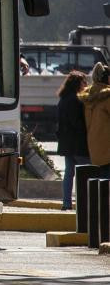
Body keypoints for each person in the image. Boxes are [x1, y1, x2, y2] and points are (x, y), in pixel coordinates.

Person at [56, 70, 90, 209]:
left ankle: (66, 203)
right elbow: (78, 122)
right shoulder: (76, 100)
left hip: (66, 142)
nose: (86, 84)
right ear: (77, 83)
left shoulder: (63, 98)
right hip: (78, 142)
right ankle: (84, 203)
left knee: (69, 173)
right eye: (84, 82)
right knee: (88, 171)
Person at [79, 61, 110, 179]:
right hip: (108, 148)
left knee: (100, 184)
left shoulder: (88, 97)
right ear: (107, 79)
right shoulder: (107, 97)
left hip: (94, 146)